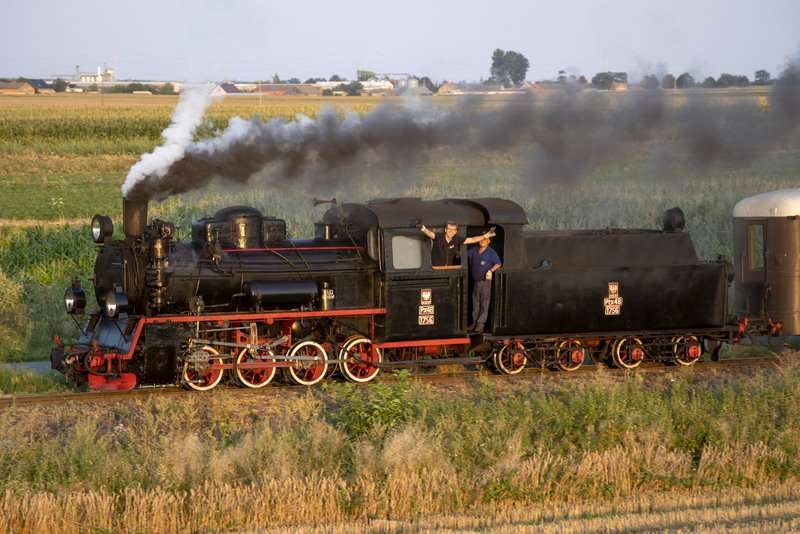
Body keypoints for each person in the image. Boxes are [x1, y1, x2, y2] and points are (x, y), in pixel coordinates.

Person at [419, 221, 495, 266]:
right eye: (449, 229)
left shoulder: (457, 239)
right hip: (435, 268)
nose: (451, 231)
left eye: (453, 230)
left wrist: (485, 236)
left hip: (448, 269)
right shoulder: (439, 237)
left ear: (456, 231)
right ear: (445, 230)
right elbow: (430, 233)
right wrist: (423, 228)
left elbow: (472, 239)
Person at [467, 235, 502, 333]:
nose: (482, 241)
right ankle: (474, 323)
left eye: (485, 239)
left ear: (489, 241)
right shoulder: (473, 250)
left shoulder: (491, 252)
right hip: (476, 281)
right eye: (481, 239)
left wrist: (490, 270)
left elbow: (498, 264)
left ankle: (480, 324)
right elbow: (466, 257)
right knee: (475, 303)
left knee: (484, 303)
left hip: (485, 282)